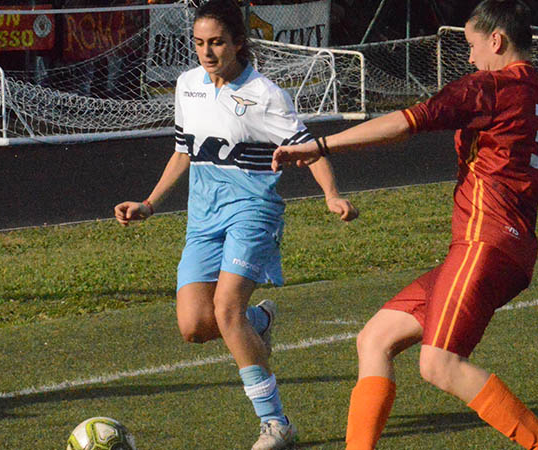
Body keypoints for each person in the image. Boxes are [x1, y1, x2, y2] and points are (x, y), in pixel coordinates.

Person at [272, 1, 538, 449]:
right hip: (504, 252)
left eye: (473, 46)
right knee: (375, 338)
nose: (471, 57)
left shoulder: (489, 88)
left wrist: (322, 145)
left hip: (485, 244)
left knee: (438, 362)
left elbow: (406, 123)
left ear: (496, 41)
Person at [114, 1, 357, 449]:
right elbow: (184, 151)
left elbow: (307, 148)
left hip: (253, 211)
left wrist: (331, 195)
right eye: (200, 43)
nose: (207, 52)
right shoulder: (187, 85)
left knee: (225, 311)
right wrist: (149, 203)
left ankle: (276, 423)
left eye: (217, 43)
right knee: (195, 326)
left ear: (238, 43)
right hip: (202, 217)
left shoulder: (265, 93)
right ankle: (257, 322)